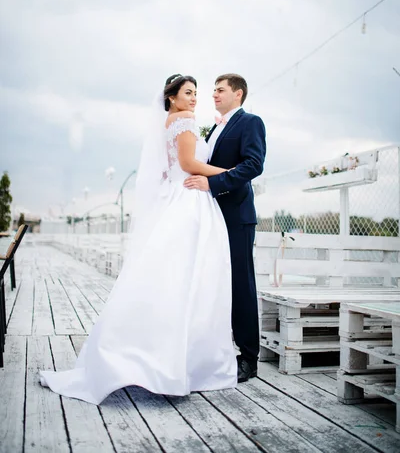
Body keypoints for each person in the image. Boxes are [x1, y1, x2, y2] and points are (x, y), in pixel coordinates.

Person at [39, 74, 237, 404]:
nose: (194, 99)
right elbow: (189, 164)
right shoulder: (185, 118)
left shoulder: (167, 123)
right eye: (188, 93)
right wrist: (230, 174)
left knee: (171, 279)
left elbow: (168, 169)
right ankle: (183, 362)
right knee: (191, 280)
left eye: (196, 93)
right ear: (171, 97)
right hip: (190, 201)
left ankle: (155, 357)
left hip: (177, 197)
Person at [184, 73, 266, 383]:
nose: (214, 95)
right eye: (214, 90)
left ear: (238, 93)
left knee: (241, 285)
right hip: (213, 215)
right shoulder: (217, 127)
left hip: (237, 215)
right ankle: (217, 349)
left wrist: (213, 183)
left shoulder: (250, 122)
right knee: (215, 283)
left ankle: (249, 358)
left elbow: (253, 164)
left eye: (220, 90)